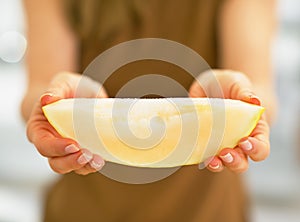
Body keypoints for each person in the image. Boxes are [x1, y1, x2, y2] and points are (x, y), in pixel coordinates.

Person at [22, 0, 277, 221]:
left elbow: (259, 89)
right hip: (84, 211)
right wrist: (51, 102)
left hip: (208, 211)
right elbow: (40, 87)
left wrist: (242, 98)